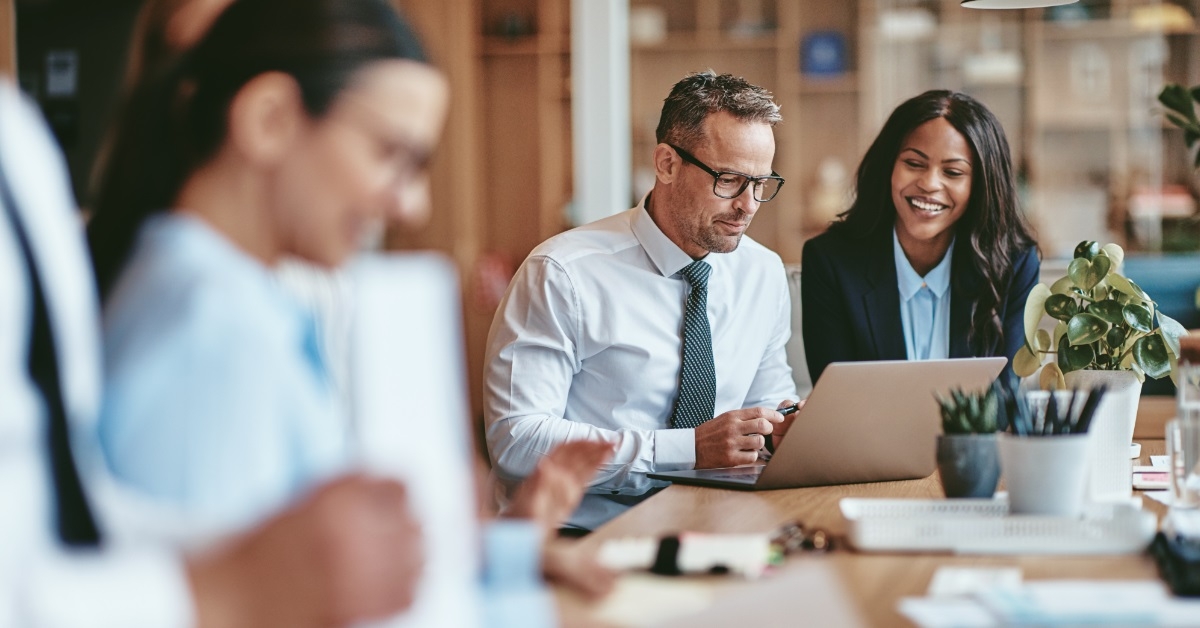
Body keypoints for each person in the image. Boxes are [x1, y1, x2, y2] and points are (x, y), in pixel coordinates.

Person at [0, 77, 423, 627]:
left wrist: (303, 558)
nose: (413, 204)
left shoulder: (19, 144)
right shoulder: (209, 321)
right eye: (388, 152)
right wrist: (222, 590)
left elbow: (58, 514)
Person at [484, 70, 802, 532]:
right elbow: (517, 442)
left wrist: (785, 426)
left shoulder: (763, 271)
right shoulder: (562, 273)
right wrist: (685, 450)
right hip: (579, 536)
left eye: (761, 183)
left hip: (716, 529)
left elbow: (767, 398)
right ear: (667, 164)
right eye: (730, 180)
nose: (749, 204)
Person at [801, 90, 1039, 384]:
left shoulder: (1014, 265)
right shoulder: (829, 262)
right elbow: (836, 398)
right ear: (888, 166)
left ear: (981, 185)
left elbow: (1004, 401)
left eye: (952, 172)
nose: (929, 184)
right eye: (914, 164)